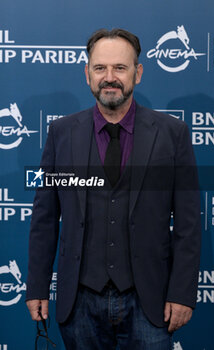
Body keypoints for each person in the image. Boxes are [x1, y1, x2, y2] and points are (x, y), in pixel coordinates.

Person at [26, 28, 201, 350]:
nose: (110, 77)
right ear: (87, 74)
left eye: (120, 68)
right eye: (100, 68)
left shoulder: (172, 134)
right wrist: (36, 286)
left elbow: (188, 223)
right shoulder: (60, 133)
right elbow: (44, 217)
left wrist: (182, 293)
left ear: (138, 72)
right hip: (78, 303)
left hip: (150, 300)